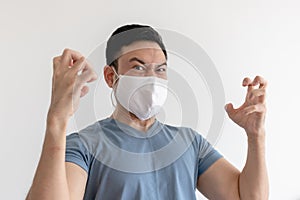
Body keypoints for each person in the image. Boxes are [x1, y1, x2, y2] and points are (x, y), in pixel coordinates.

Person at [26, 24, 269, 200]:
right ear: (112, 77)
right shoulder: (84, 146)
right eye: (138, 67)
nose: (152, 78)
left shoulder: (189, 143)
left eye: (160, 69)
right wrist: (57, 121)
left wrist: (255, 135)